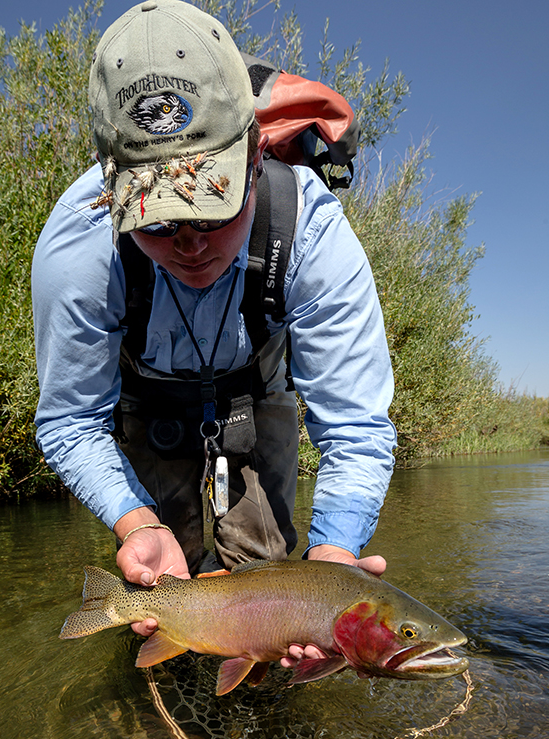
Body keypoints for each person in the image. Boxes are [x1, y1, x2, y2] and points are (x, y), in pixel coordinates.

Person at [32, 0, 396, 664]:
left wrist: (332, 568)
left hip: (253, 408)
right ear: (111, 187)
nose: (189, 244)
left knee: (263, 562)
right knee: (166, 575)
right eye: (156, 220)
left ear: (255, 157)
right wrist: (136, 521)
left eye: (212, 205)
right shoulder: (77, 252)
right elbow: (71, 421)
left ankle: (257, 702)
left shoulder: (312, 236)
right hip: (152, 410)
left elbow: (357, 428)